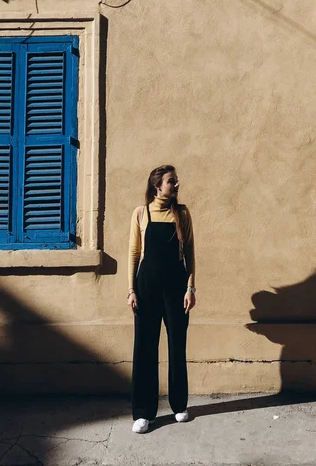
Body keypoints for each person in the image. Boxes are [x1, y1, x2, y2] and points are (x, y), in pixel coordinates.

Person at [127, 165, 196, 434]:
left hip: (176, 286)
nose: (176, 184)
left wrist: (191, 288)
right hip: (146, 286)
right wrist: (131, 290)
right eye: (171, 181)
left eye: (176, 181)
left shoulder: (182, 214)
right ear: (157, 185)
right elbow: (134, 253)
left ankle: (179, 405)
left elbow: (190, 251)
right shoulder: (141, 213)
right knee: (145, 348)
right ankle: (144, 413)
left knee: (177, 345)